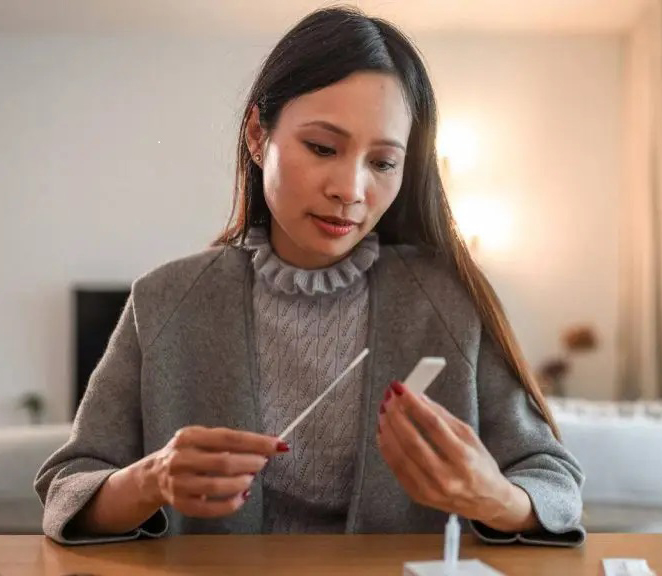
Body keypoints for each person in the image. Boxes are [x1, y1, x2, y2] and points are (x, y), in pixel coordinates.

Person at [35, 6, 585, 546]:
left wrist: (495, 497)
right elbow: (68, 487)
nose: (349, 188)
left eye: (383, 163)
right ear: (257, 135)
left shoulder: (447, 300)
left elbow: (551, 479)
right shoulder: (164, 301)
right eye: (322, 147)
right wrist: (149, 479)